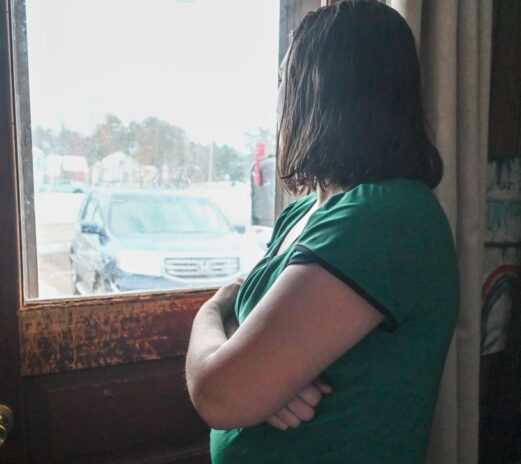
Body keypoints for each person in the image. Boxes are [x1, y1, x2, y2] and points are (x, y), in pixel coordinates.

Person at [185, 2, 458, 463]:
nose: (279, 103)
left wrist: (210, 313)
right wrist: (266, 380)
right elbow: (252, 351)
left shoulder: (380, 217)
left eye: (284, 83)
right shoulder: (303, 214)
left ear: (317, 93)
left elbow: (218, 394)